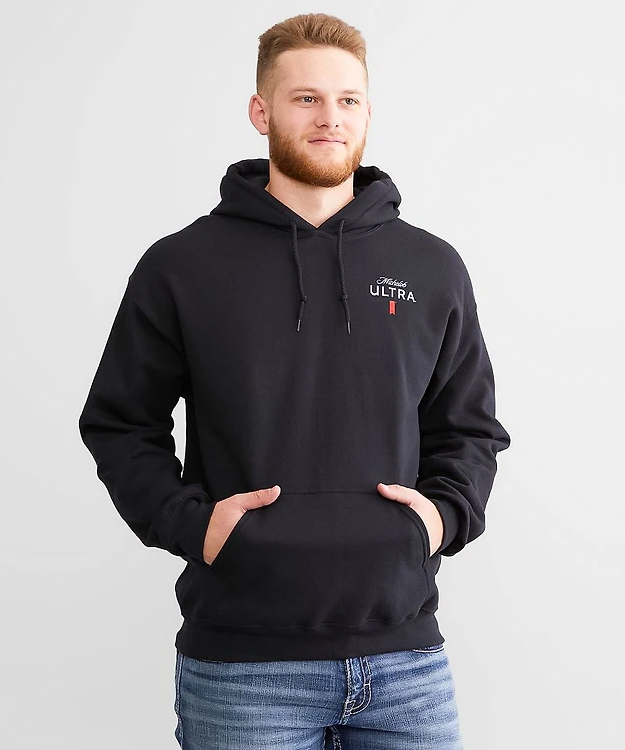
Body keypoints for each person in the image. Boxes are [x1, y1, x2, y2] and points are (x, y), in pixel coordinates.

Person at [78, 12, 511, 750]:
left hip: (407, 663)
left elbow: (469, 427)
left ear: (368, 113)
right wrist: (192, 525)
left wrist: (441, 517)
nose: (329, 117)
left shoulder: (432, 266)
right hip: (244, 670)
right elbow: (120, 423)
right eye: (306, 98)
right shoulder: (181, 266)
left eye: (348, 100)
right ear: (261, 111)